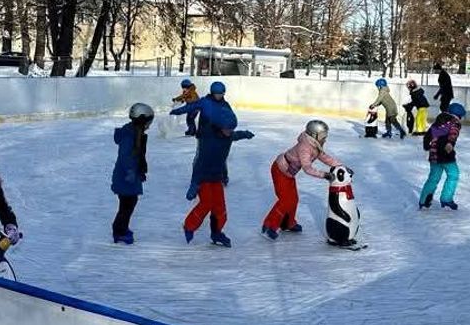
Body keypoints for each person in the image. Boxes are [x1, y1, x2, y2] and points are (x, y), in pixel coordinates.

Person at [172, 81, 254, 246]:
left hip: (216, 175)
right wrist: (194, 185)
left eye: (222, 93)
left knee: (220, 208)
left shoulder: (227, 129)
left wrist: (244, 134)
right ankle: (189, 226)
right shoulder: (209, 138)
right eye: (228, 129)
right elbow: (199, 164)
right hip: (204, 174)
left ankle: (216, 233)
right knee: (206, 203)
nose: (230, 132)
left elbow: (234, 134)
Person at [261, 119, 342, 240]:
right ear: (314, 135)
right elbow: (307, 168)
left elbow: (325, 157)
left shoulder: (315, 145)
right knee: (285, 200)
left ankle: (288, 223)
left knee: (293, 199)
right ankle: (269, 226)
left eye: (326, 135)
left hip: (288, 173)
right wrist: (325, 175)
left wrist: (340, 166)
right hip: (280, 170)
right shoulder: (305, 147)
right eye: (323, 136)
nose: (325, 138)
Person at [111, 103, 154, 245]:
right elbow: (125, 156)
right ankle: (119, 231)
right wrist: (130, 171)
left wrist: (139, 171)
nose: (149, 125)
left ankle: (121, 228)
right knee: (127, 204)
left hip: (129, 175)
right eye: (148, 122)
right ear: (141, 120)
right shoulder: (130, 136)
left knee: (129, 203)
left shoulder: (136, 133)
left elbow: (137, 156)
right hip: (125, 177)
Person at [420, 103, 466, 211]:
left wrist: (427, 146)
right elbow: (453, 133)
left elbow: (428, 135)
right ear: (458, 115)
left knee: (433, 178)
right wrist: (450, 143)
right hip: (445, 153)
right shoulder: (455, 122)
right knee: (453, 174)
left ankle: (424, 200)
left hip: (434, 154)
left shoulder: (439, 120)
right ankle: (446, 198)